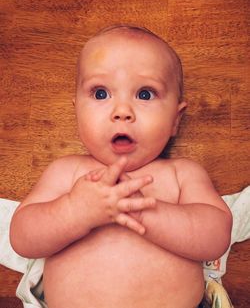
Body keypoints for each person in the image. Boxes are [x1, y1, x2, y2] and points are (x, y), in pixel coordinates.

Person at [10, 25, 232, 308]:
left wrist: (147, 212)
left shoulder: (182, 174)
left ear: (176, 119)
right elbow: (22, 238)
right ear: (76, 110)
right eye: (101, 94)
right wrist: (73, 211)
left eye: (145, 94)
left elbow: (215, 239)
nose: (122, 111)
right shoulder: (67, 173)